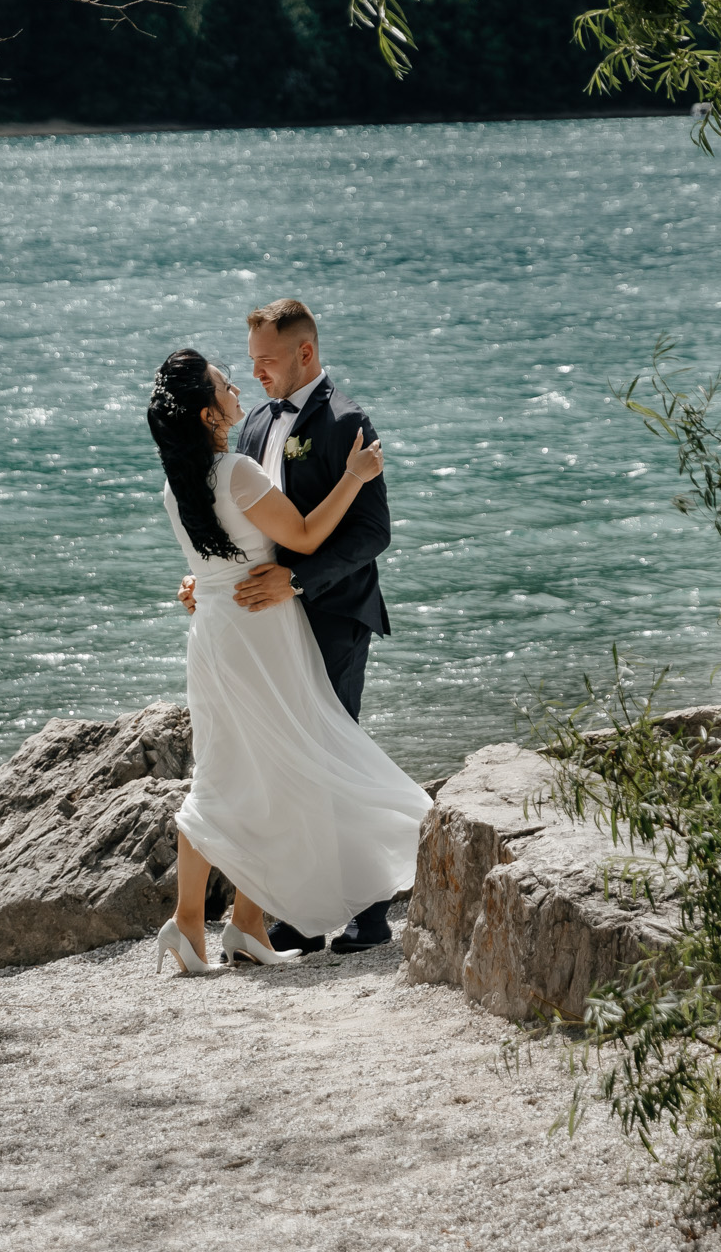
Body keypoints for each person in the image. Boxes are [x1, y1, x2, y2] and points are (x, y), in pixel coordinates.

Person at [145, 347, 431, 977]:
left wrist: (198, 584)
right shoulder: (237, 470)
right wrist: (353, 477)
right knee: (271, 769)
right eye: (225, 385)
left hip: (215, 631)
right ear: (207, 413)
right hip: (261, 631)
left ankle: (234, 925)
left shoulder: (176, 483)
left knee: (228, 770)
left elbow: (212, 558)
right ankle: (200, 924)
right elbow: (302, 536)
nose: (238, 390)